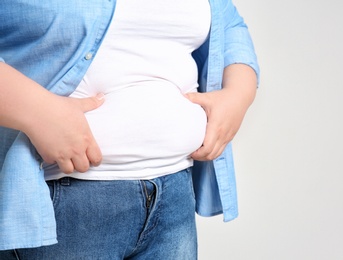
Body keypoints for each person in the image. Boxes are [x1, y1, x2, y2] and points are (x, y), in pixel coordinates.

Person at [0, 0, 259, 259]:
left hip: (174, 194)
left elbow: (230, 23)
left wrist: (238, 93)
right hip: (64, 201)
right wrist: (37, 111)